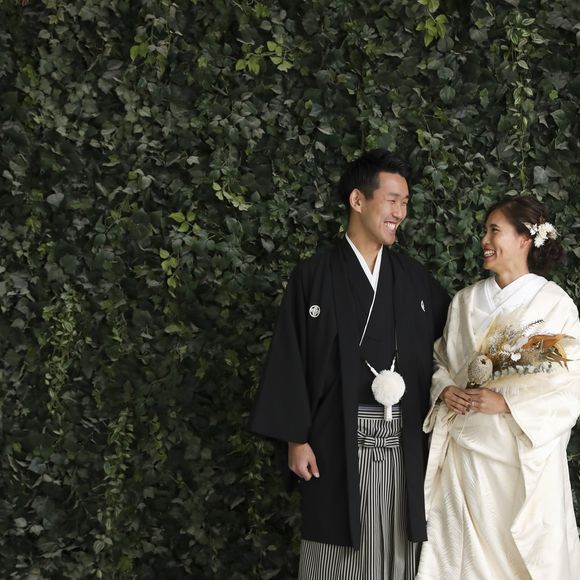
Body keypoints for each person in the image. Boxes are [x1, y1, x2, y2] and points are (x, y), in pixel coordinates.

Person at [250, 149, 450, 579]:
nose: (400, 212)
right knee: (335, 550)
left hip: (402, 441)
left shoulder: (414, 279)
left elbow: (452, 344)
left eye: (405, 202)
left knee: (399, 548)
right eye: (392, 200)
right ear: (357, 200)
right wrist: (295, 438)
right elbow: (290, 355)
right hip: (335, 439)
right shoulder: (313, 275)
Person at [416, 197, 580, 579]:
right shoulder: (465, 301)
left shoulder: (555, 305)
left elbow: (568, 385)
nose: (484, 241)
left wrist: (506, 404)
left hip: (518, 459)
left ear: (525, 239)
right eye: (485, 231)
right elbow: (441, 362)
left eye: (495, 231)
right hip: (464, 459)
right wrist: (445, 390)